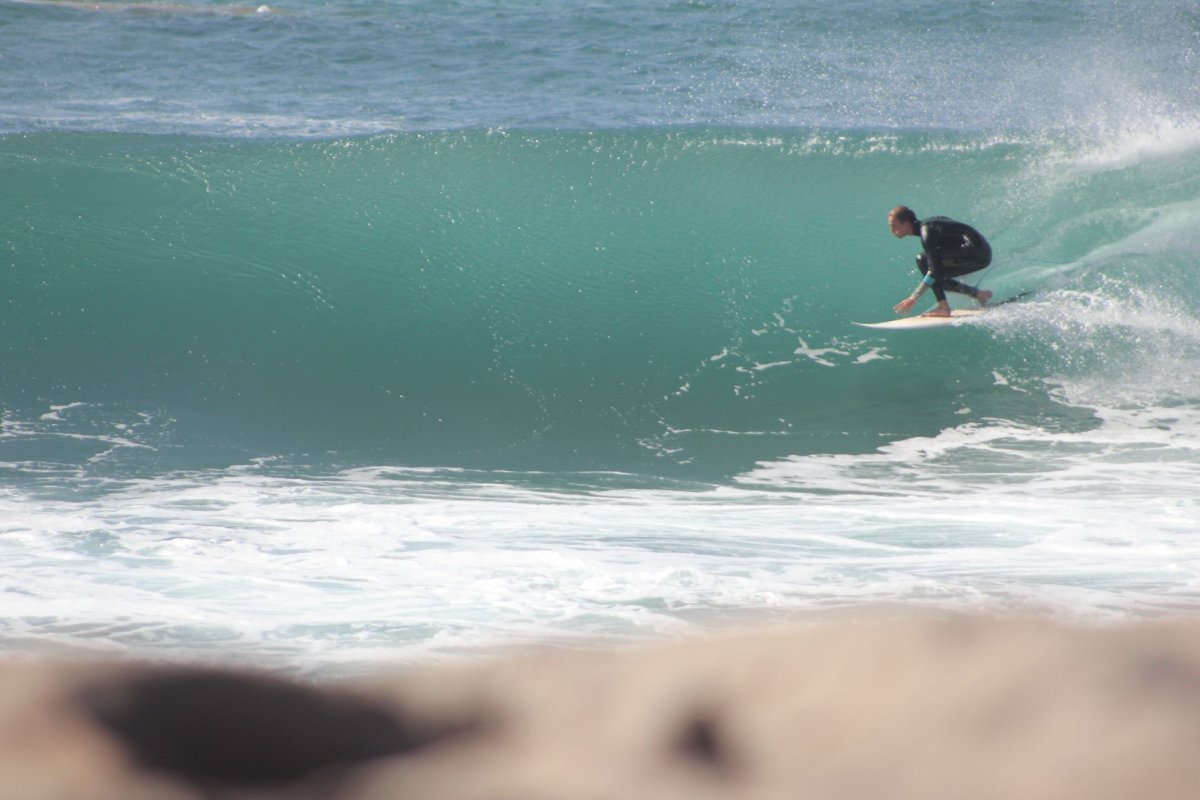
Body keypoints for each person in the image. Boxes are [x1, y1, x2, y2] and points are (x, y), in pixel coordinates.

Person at [888, 206, 993, 317]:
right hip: (983, 254)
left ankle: (943, 307)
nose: (891, 230)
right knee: (936, 278)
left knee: (923, 260)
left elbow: (933, 270)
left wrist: (913, 297)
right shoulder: (932, 226)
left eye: (893, 225)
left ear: (906, 223)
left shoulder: (927, 230)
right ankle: (979, 294)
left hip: (976, 250)